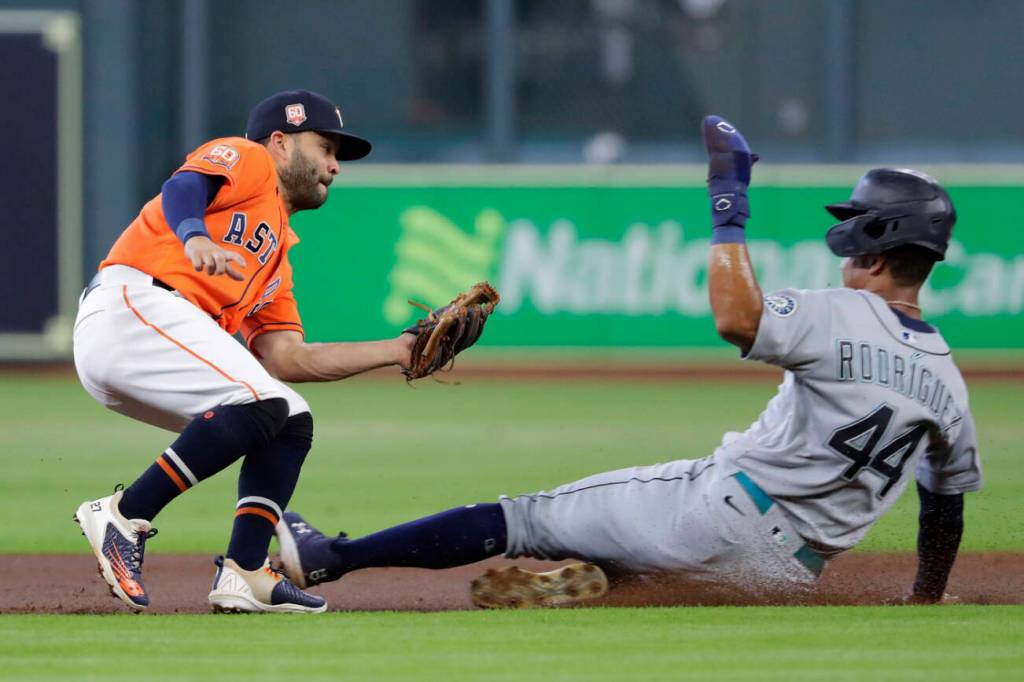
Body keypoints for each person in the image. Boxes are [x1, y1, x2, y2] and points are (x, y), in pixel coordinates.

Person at [275, 116, 981, 608]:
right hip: (790, 573)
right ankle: (608, 584)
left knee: (522, 518)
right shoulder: (947, 382)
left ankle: (332, 557)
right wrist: (927, 594)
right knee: (651, 578)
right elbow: (944, 504)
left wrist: (729, 199)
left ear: (874, 246)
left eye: (854, 223)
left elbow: (737, 318)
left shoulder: (839, 313)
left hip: (718, 513)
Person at [72, 89, 418, 614]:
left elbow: (287, 359)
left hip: (147, 341)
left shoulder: (276, 257)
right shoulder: (251, 159)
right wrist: (193, 236)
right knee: (262, 403)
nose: (334, 166)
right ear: (281, 141)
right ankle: (124, 514)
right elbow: (183, 186)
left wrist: (396, 351)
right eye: (325, 148)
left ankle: (245, 572)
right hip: (132, 305)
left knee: (290, 419)